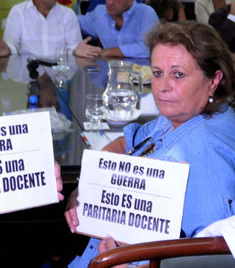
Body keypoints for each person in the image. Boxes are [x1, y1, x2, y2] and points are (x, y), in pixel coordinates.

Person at [64, 21, 235, 268]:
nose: (162, 86)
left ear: (214, 80)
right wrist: (86, 190)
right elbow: (126, 143)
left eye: (178, 74)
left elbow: (213, 257)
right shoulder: (181, 117)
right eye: (157, 73)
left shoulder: (207, 154)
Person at [78, 0, 159, 58]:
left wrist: (106, 52)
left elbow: (145, 49)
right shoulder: (100, 13)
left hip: (142, 70)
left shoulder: (146, 13)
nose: (109, 2)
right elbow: (73, 21)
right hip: (110, 69)